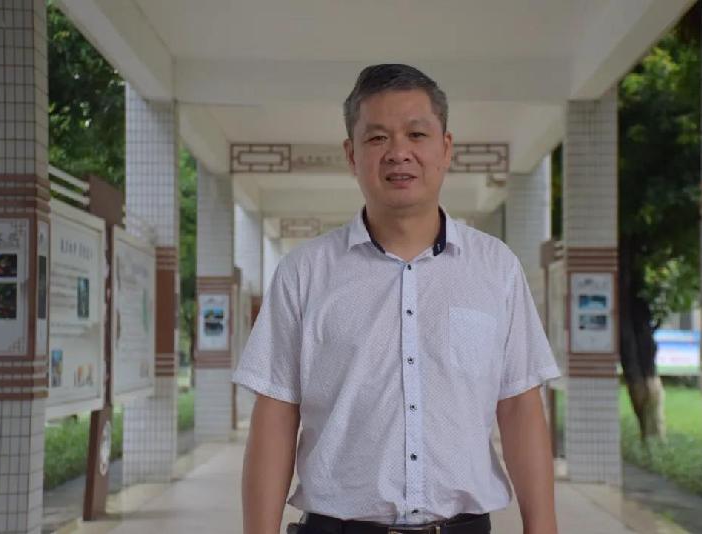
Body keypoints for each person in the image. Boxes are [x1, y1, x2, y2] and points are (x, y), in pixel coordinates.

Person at [234, 64, 561, 534]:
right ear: (352, 155)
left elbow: (519, 406)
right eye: (377, 138)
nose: (398, 153)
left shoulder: (496, 269)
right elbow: (276, 414)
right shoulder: (304, 272)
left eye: (416, 134)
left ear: (445, 147)